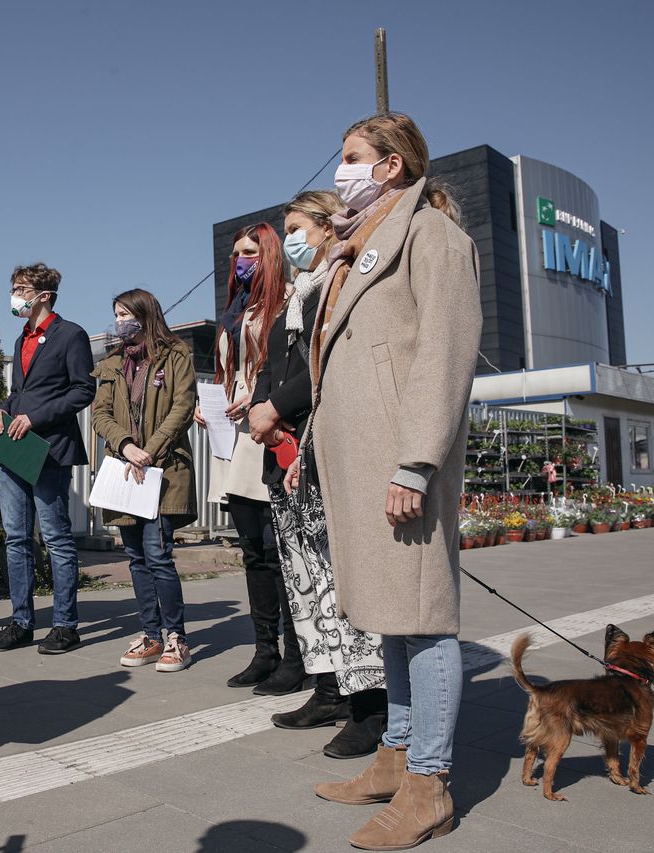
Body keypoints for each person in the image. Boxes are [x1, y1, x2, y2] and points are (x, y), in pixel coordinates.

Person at [307, 114, 481, 850]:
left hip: (400, 458)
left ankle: (428, 783)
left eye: (352, 158)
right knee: (392, 612)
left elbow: (444, 352)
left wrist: (415, 459)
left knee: (423, 614)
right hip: (363, 457)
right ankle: (396, 752)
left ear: (390, 167)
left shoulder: (433, 234)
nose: (338, 169)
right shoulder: (359, 244)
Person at [247, 190, 388, 760]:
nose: (294, 239)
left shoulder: (344, 284)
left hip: (323, 448)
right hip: (286, 457)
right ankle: (329, 687)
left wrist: (275, 408)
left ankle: (371, 704)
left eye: (300, 227)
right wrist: (264, 412)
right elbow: (269, 368)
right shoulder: (295, 298)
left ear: (330, 227)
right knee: (307, 582)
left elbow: (324, 368)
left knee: (340, 579)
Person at [199, 223, 305, 696]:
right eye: (236, 254)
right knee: (254, 552)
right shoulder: (236, 310)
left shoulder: (287, 300)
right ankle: (265, 651)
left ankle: (298, 653)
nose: (240, 261)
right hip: (234, 436)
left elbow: (291, 366)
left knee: (279, 549)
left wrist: (262, 401)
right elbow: (232, 371)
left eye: (249, 253)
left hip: (273, 431)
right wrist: (213, 402)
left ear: (268, 255)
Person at [0, 263, 95, 654]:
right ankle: (21, 622)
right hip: (16, 450)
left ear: (43, 295)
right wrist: (2, 408)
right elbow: (21, 393)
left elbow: (83, 391)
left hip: (49, 450)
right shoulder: (21, 339)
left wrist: (36, 417)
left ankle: (66, 625)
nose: (15, 296)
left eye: (21, 289)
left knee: (56, 539)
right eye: (14, 288)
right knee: (16, 539)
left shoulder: (72, 335)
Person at [91, 288, 197, 672]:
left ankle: (176, 637)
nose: (120, 321)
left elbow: (183, 406)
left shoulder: (176, 355)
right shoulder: (112, 363)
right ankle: (150, 634)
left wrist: (149, 449)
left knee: (158, 555)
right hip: (125, 468)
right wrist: (125, 445)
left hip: (162, 469)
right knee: (135, 556)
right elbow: (100, 413)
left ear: (145, 314)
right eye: (116, 314)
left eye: (126, 313)